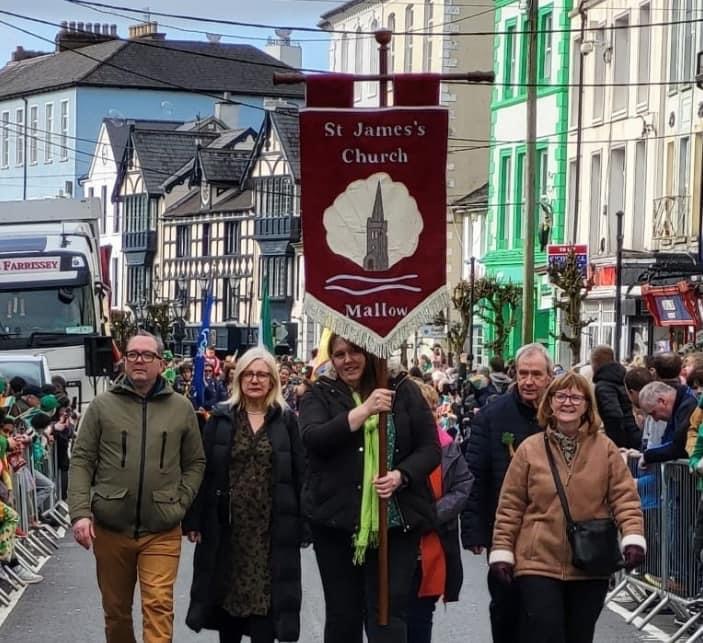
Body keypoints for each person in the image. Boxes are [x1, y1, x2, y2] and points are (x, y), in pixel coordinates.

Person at [298, 334, 440, 643]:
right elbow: (313, 438)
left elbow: (430, 449)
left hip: (395, 523)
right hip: (337, 524)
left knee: (387, 614)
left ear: (370, 352)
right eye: (339, 354)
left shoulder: (403, 390)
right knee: (343, 615)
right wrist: (363, 412)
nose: (348, 360)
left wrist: (401, 475)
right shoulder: (319, 393)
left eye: (355, 351)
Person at [68, 330, 206, 643]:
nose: (139, 360)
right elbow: (82, 461)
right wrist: (80, 513)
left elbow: (196, 463)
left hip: (161, 527)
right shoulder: (102, 407)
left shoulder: (181, 408)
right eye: (132, 354)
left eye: (147, 355)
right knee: (116, 612)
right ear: (125, 362)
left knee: (158, 605)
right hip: (111, 527)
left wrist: (180, 503)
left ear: (161, 362)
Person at [488, 372, 645, 643]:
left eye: (575, 397)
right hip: (537, 560)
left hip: (590, 561)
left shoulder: (605, 449)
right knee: (545, 633)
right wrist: (502, 550)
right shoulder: (529, 449)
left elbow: (625, 499)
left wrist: (633, 538)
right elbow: (510, 506)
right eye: (560, 396)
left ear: (587, 405)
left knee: (579, 636)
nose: (567, 402)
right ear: (549, 403)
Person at [184, 347, 304, 643]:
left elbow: (301, 473)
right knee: (229, 602)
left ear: (273, 381)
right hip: (228, 528)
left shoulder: (286, 421)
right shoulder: (222, 418)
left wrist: (303, 524)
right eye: (249, 374)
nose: (255, 380)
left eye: (262, 374)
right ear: (238, 379)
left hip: (270, 528)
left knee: (266, 604)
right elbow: (205, 471)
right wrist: (195, 519)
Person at [461, 343, 553, 643]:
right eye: (523, 373)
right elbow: (475, 473)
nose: (529, 381)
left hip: (552, 530)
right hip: (505, 529)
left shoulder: (563, 412)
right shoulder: (492, 415)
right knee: (506, 605)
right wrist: (473, 530)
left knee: (543, 611)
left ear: (549, 377)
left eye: (536, 375)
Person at [407, 382, 473, 643]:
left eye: (431, 408)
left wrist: (431, 515)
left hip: (434, 543)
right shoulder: (388, 444)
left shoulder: (447, 446)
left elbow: (463, 485)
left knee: (422, 614)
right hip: (399, 542)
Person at [590, 345, 642, 449]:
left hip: (622, 442)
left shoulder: (604, 385)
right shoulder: (622, 378)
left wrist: (614, 445)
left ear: (595, 361)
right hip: (633, 434)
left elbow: (613, 415)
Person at [637, 380, 696, 466]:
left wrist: (648, 456)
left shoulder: (688, 406)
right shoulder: (678, 407)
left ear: (662, 401)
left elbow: (680, 447)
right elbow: (667, 443)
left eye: (653, 413)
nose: (655, 419)